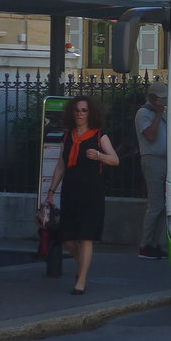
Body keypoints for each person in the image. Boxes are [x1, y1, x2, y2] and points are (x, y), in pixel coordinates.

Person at [45, 96, 118, 294]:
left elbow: (115, 160)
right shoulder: (67, 137)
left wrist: (99, 156)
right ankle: (82, 265)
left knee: (86, 237)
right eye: (77, 110)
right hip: (70, 191)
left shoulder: (99, 136)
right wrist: (51, 191)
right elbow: (61, 164)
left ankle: (81, 281)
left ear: (91, 113)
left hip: (91, 192)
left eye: (84, 110)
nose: (80, 114)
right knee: (67, 237)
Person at [135, 81, 169, 259]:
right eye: (160, 99)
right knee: (155, 205)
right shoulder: (144, 113)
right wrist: (158, 114)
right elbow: (150, 135)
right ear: (153, 98)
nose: (163, 103)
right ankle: (145, 244)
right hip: (153, 160)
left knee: (164, 207)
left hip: (164, 160)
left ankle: (155, 243)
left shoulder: (160, 113)